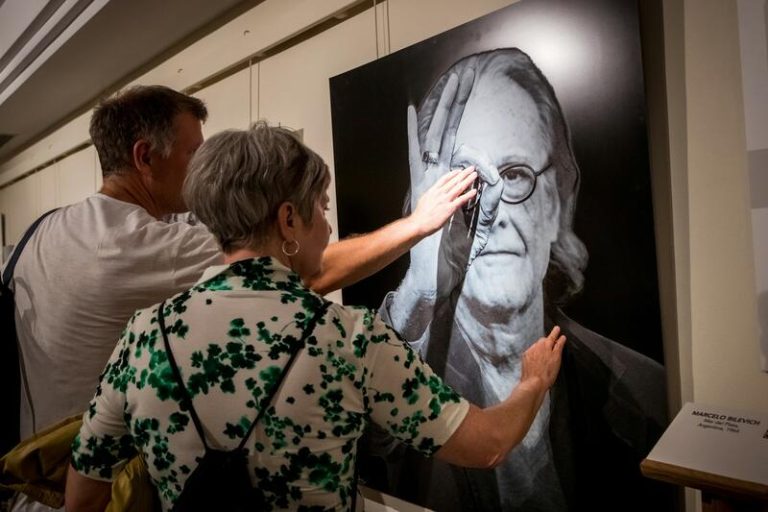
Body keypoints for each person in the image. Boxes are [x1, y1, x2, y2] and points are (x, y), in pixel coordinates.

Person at [64, 123, 566, 511]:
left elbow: (83, 496)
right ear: (288, 220)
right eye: (321, 208)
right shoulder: (347, 338)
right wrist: (531, 382)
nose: (327, 226)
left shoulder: (144, 335)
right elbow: (488, 446)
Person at [6, 84, 477, 446]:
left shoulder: (44, 230)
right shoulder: (147, 246)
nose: (201, 170)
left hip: (45, 473)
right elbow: (306, 270)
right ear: (145, 157)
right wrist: (417, 225)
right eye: (194, 154)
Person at [382, 49, 670, 511]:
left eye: (514, 175)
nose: (492, 212)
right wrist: (418, 287)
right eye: (466, 182)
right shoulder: (399, 379)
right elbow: (366, 439)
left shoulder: (645, 392)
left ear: (557, 201)